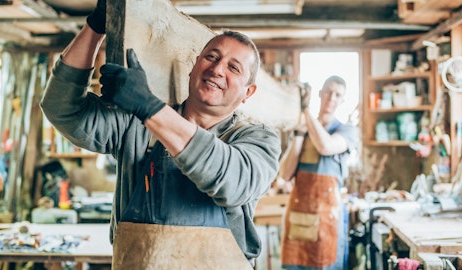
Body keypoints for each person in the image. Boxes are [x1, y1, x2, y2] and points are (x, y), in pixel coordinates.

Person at [39, 1, 281, 269]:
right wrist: (96, 26)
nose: (217, 69)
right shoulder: (137, 125)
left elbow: (232, 182)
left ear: (248, 92)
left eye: (234, 67)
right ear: (194, 66)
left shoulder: (258, 139)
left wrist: (149, 107)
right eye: (211, 57)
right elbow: (62, 109)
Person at [278, 77, 359, 270]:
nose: (332, 97)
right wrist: (299, 134)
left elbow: (325, 146)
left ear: (342, 101)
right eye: (328, 91)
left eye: (338, 94)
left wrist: (305, 111)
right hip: (299, 216)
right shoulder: (304, 129)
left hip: (326, 218)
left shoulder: (347, 131)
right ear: (320, 93)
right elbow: (285, 174)